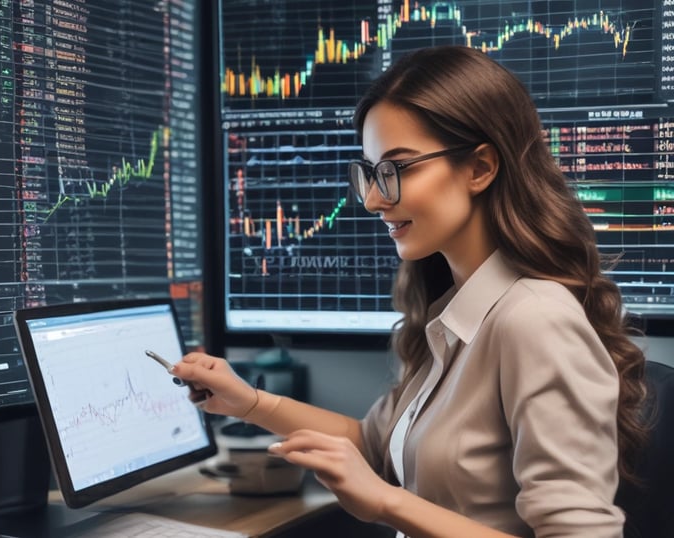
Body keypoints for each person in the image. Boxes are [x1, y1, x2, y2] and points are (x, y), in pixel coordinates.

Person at [173, 45, 648, 537]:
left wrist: (386, 502)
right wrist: (246, 402)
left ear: (480, 168)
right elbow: (376, 444)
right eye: (372, 173)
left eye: (398, 169)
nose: (376, 199)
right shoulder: (455, 313)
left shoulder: (533, 319)